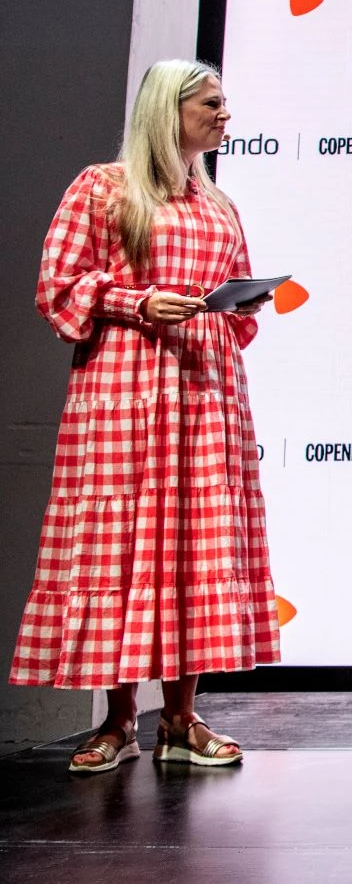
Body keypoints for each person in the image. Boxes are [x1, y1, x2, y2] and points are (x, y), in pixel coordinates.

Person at [10, 60, 280, 773]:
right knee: (120, 544)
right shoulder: (103, 188)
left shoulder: (219, 206)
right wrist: (138, 302)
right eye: (211, 104)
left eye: (225, 103)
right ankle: (119, 718)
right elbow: (58, 285)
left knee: (195, 545)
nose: (225, 115)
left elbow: (234, 306)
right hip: (124, 388)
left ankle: (181, 718)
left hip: (204, 390)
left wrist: (242, 300)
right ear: (169, 110)